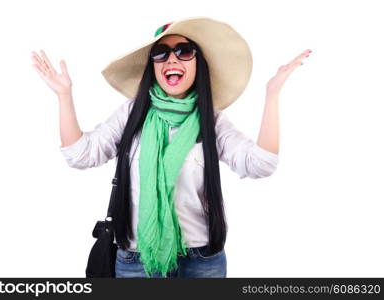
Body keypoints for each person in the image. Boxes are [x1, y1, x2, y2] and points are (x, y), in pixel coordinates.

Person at [30, 17, 311, 278]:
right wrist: (64, 96)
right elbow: (81, 155)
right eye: (160, 53)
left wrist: (272, 95)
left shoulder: (211, 121)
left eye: (184, 51)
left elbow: (260, 164)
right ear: (153, 66)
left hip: (202, 262)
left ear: (198, 63)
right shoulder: (132, 113)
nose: (171, 59)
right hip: (136, 262)